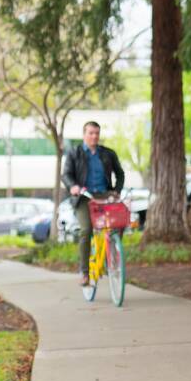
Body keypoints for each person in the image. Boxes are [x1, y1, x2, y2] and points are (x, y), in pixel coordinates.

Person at [60, 121, 125, 286]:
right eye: (91, 133)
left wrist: (116, 190)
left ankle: (111, 253)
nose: (94, 136)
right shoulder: (75, 153)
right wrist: (73, 186)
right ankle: (85, 272)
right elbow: (66, 174)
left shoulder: (108, 153)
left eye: (97, 133)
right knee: (86, 230)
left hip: (105, 195)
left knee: (119, 222)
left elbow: (120, 173)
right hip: (84, 197)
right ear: (84, 135)